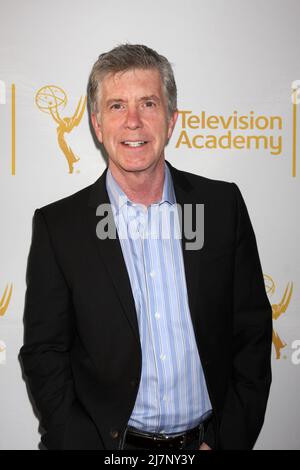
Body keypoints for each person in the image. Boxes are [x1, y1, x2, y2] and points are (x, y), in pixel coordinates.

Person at [19, 44, 272, 450]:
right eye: (117, 106)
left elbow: (252, 334)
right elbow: (44, 352)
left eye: (148, 104)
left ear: (171, 121)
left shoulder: (222, 208)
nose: (133, 122)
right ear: (97, 124)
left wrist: (228, 441)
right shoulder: (59, 227)